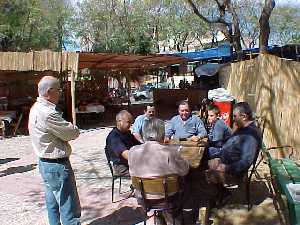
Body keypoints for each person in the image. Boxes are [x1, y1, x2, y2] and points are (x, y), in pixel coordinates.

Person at [28, 76, 81, 225]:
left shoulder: (35, 109)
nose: (60, 93)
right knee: (69, 208)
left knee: (53, 207)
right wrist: (73, 128)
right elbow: (72, 133)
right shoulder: (48, 113)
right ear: (49, 91)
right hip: (57, 165)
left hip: (45, 164)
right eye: (58, 90)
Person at [129, 118, 189, 224]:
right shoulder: (170, 152)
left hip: (144, 199)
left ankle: (160, 217)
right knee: (185, 184)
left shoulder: (133, 151)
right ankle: (174, 219)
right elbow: (185, 170)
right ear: (162, 134)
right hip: (168, 199)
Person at [207, 102, 262, 183]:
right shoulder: (243, 128)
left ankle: (219, 193)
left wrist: (226, 168)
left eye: (235, 116)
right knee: (202, 161)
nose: (233, 119)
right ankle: (218, 191)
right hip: (224, 159)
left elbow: (246, 161)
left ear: (244, 117)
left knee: (202, 172)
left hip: (231, 171)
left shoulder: (250, 135)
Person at [105, 110, 140, 176]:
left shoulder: (127, 133)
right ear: (119, 121)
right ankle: (137, 186)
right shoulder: (114, 137)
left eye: (131, 123)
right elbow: (127, 155)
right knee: (148, 172)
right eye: (128, 122)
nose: (130, 125)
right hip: (122, 167)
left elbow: (139, 145)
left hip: (130, 163)